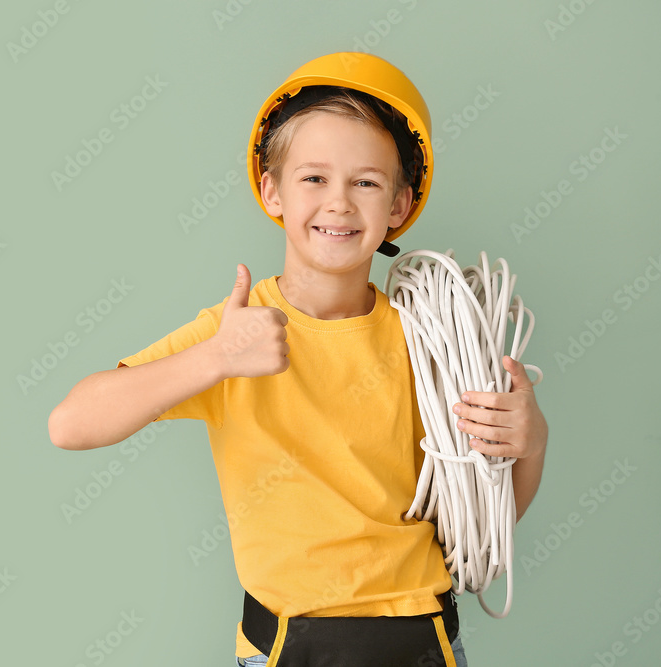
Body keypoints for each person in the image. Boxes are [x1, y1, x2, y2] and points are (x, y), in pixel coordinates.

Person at [48, 52, 548, 667]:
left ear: (397, 206)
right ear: (272, 191)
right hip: (285, 646)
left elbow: (483, 515)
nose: (338, 203)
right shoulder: (233, 334)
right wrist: (216, 359)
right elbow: (70, 424)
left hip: (425, 638)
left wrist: (531, 443)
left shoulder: (428, 339)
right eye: (313, 178)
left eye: (365, 182)